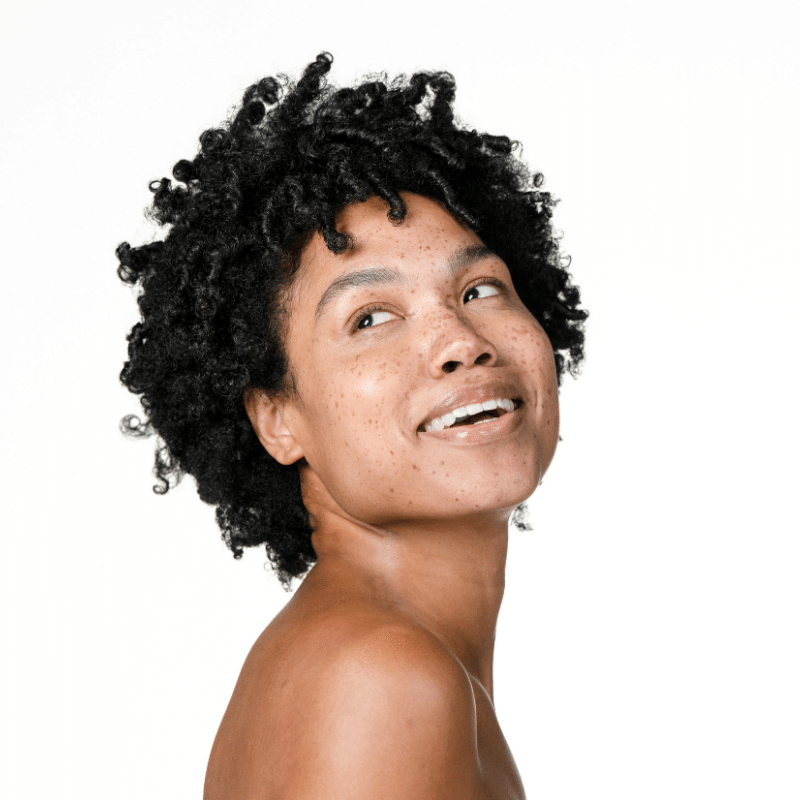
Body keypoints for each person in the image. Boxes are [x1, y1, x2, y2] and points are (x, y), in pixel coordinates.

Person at [118, 52, 587, 799]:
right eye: (371, 317)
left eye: (480, 287)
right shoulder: (382, 680)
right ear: (276, 418)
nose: (463, 341)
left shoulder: (361, 654)